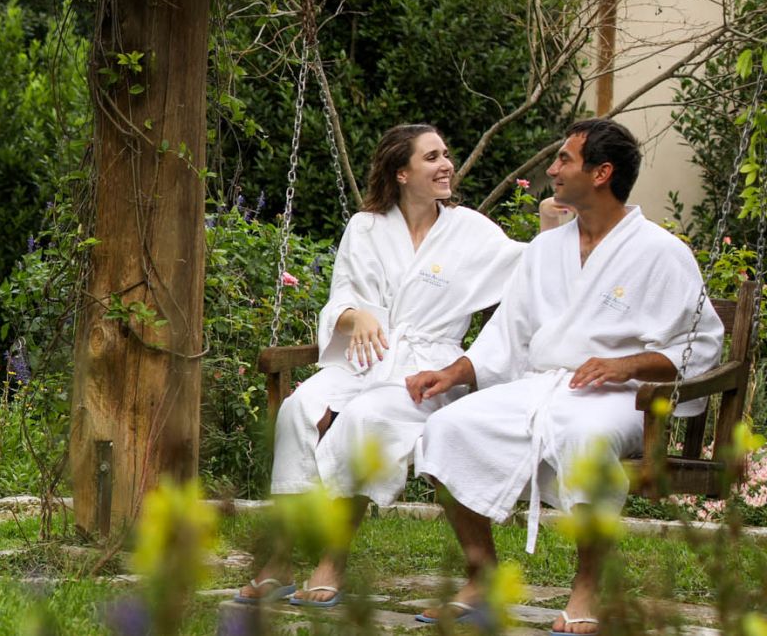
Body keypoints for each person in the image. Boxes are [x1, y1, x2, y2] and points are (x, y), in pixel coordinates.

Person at [405, 118, 723, 634]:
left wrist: (625, 364)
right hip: (547, 383)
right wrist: (454, 371)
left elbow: (700, 345)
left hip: (623, 395)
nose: (552, 169)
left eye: (564, 160)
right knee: (447, 428)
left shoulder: (662, 252)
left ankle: (587, 586)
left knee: (583, 436)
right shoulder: (546, 249)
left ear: (601, 173)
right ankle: (482, 575)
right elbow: (508, 334)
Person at [237, 124, 563, 606]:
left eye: (446, 154)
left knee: (366, 420)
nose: (446, 164)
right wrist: (357, 316)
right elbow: (340, 301)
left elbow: (534, 268)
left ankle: (332, 562)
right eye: (432, 157)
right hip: (366, 362)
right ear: (402, 172)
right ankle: (280, 558)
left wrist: (551, 227)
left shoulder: (469, 230)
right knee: (298, 410)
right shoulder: (365, 228)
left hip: (428, 371)